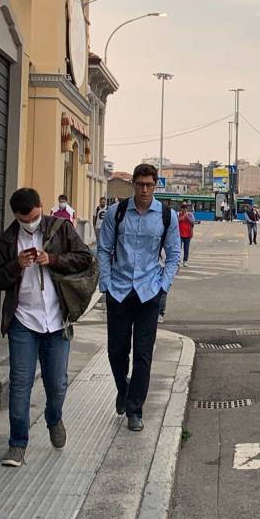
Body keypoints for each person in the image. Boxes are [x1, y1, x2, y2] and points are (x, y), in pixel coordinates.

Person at [0, 187, 94, 467]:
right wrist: (16, 265)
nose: (30, 223)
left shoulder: (61, 229)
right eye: (25, 220)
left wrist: (54, 259)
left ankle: (53, 417)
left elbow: (85, 258)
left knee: (57, 383)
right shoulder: (8, 239)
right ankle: (17, 444)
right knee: (20, 384)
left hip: (56, 320)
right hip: (23, 320)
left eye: (34, 217)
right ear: (16, 217)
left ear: (41, 208)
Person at [97, 164, 180, 432]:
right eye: (140, 184)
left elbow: (173, 255)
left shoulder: (167, 216)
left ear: (156, 186)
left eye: (150, 185)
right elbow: (104, 249)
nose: (145, 189)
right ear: (133, 184)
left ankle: (135, 409)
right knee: (116, 351)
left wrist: (163, 285)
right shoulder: (116, 213)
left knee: (143, 354)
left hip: (148, 293)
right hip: (119, 291)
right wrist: (106, 284)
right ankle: (123, 388)